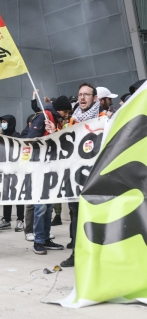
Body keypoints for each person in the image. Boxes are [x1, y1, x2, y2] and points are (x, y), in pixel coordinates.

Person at [61, 82, 100, 267]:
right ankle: (76, 253)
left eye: (86, 94)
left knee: (94, 215)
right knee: (75, 214)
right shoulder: (72, 121)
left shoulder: (103, 118)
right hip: (75, 175)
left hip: (94, 176)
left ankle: (95, 254)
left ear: (95, 98)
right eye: (80, 94)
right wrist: (55, 133)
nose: (82, 98)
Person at [27, 96, 72, 255]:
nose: (67, 115)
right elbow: (30, 140)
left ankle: (45, 238)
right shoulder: (44, 117)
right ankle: (38, 240)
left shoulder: (56, 120)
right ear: (59, 109)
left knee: (49, 206)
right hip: (40, 167)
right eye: (65, 111)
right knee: (41, 206)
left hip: (52, 169)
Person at [0, 114, 24, 231]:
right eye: (2, 121)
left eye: (5, 122)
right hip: (5, 170)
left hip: (17, 170)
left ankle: (20, 220)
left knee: (18, 195)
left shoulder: (17, 136)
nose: (3, 124)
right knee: (6, 195)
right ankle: (6, 219)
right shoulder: (0, 136)